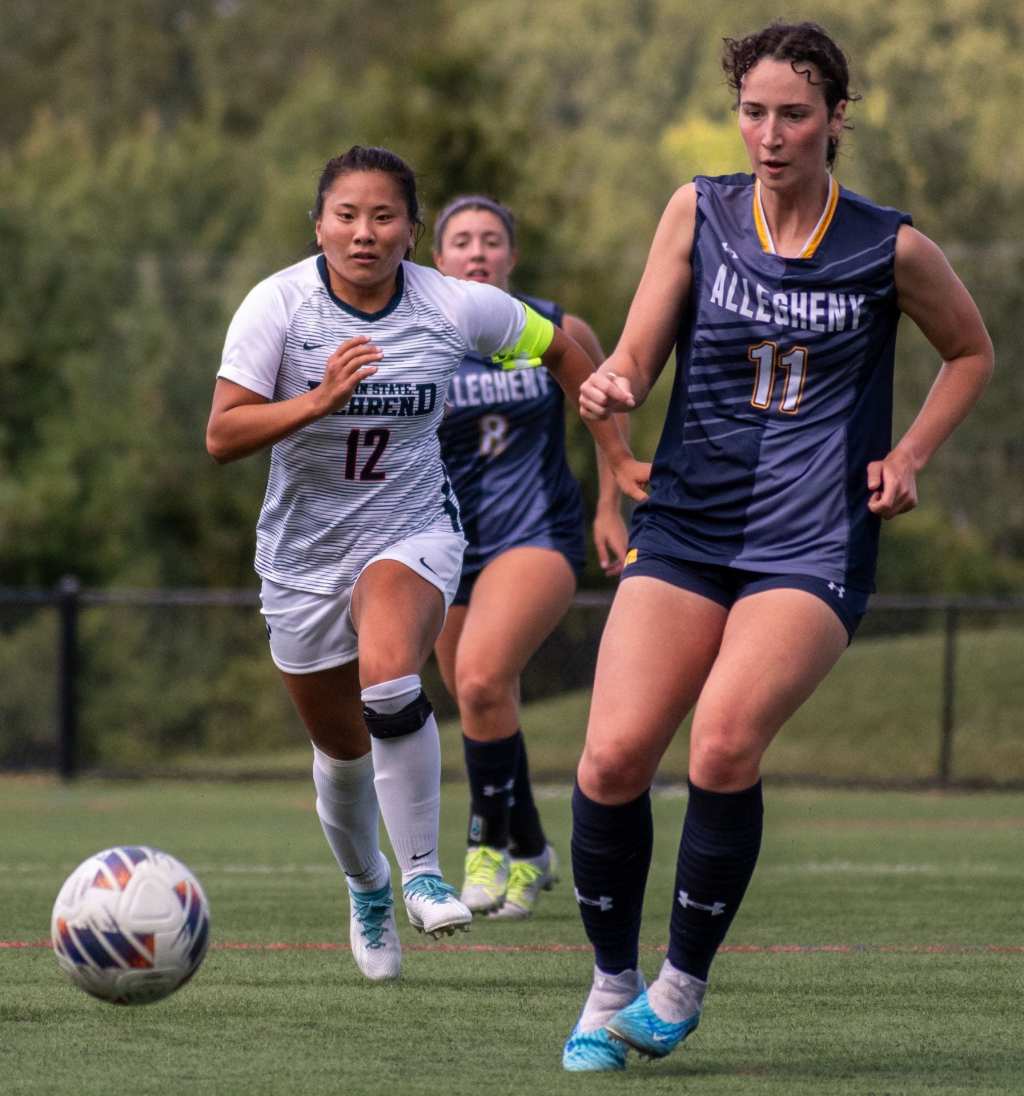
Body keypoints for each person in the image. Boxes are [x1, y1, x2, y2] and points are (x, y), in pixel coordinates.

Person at [561, 22, 994, 1070]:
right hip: (689, 523)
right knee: (612, 757)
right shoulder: (696, 212)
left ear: (837, 119)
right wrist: (611, 385)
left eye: (793, 113)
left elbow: (970, 351)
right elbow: (632, 355)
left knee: (719, 745)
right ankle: (611, 980)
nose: (769, 133)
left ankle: (677, 985)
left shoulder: (889, 245)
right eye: (752, 111)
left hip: (810, 536)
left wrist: (910, 453)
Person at [205, 146, 647, 985]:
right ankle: (368, 885)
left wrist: (617, 463)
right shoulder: (278, 306)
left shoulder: (456, 306)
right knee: (339, 761)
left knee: (391, 681)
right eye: (346, 216)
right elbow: (222, 435)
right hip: (301, 557)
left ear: (413, 230)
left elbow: (566, 352)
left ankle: (422, 874)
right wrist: (317, 402)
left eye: (383, 217)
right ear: (319, 225)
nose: (363, 233)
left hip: (413, 531)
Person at [430, 195, 629, 920]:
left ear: (511, 257)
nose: (477, 252)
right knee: (480, 698)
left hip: (535, 533)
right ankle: (535, 850)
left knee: (482, 679)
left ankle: (484, 847)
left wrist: (611, 503)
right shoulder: (422, 335)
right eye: (461, 241)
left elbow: (605, 401)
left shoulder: (553, 326)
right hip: (445, 544)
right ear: (437, 260)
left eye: (491, 240)